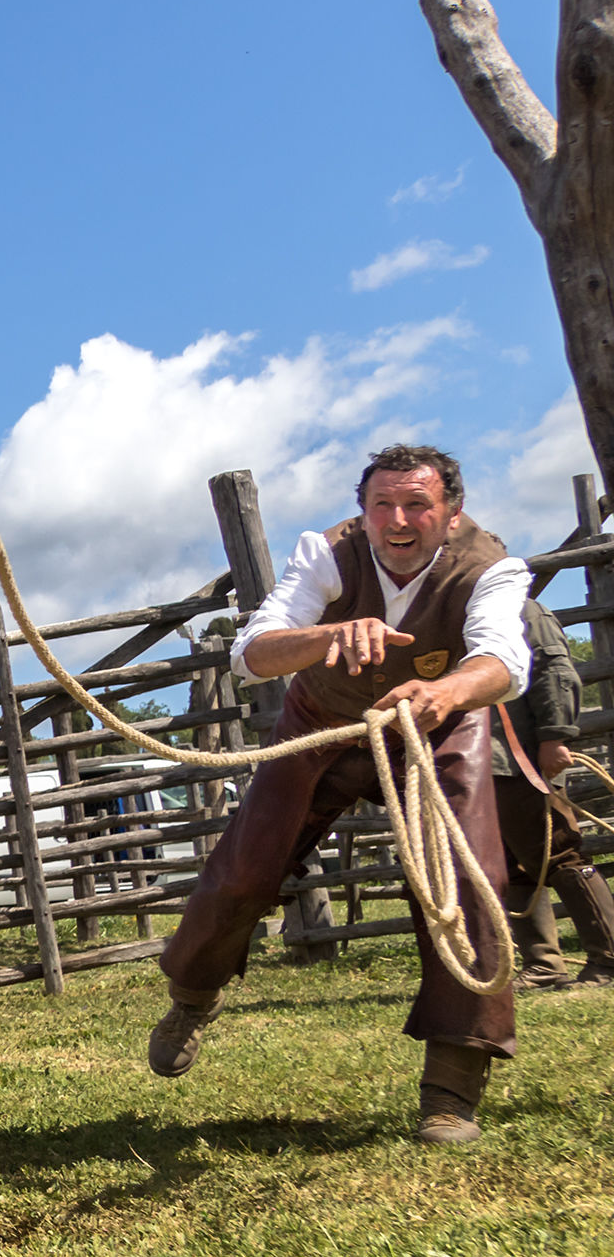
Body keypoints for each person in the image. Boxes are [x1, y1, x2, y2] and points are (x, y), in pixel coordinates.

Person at [149, 444, 528, 1145]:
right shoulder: (325, 554)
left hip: (436, 727)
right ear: (363, 511)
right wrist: (327, 636)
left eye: (418, 504)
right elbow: (253, 652)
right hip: (322, 722)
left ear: (451, 514)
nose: (398, 520)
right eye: (382, 505)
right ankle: (192, 997)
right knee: (243, 868)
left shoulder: (492, 568)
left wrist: (443, 693)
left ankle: (452, 1086)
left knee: (471, 878)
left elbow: (504, 660)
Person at [490, 599, 614, 990]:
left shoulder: (519, 609)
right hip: (482, 761)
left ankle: (609, 959)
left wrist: (554, 735)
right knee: (509, 864)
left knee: (559, 852)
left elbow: (553, 671)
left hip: (520, 754)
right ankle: (543, 964)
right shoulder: (452, 610)